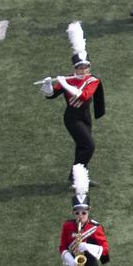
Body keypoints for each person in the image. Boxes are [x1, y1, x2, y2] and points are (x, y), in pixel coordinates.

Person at [42, 23, 105, 178]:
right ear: (75, 68)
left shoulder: (93, 80)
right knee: (89, 146)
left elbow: (82, 95)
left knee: (82, 147)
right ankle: (76, 175)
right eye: (79, 67)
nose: (83, 70)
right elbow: (49, 95)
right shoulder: (69, 79)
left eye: (85, 67)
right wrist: (47, 84)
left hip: (86, 117)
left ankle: (79, 177)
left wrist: (63, 83)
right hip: (72, 118)